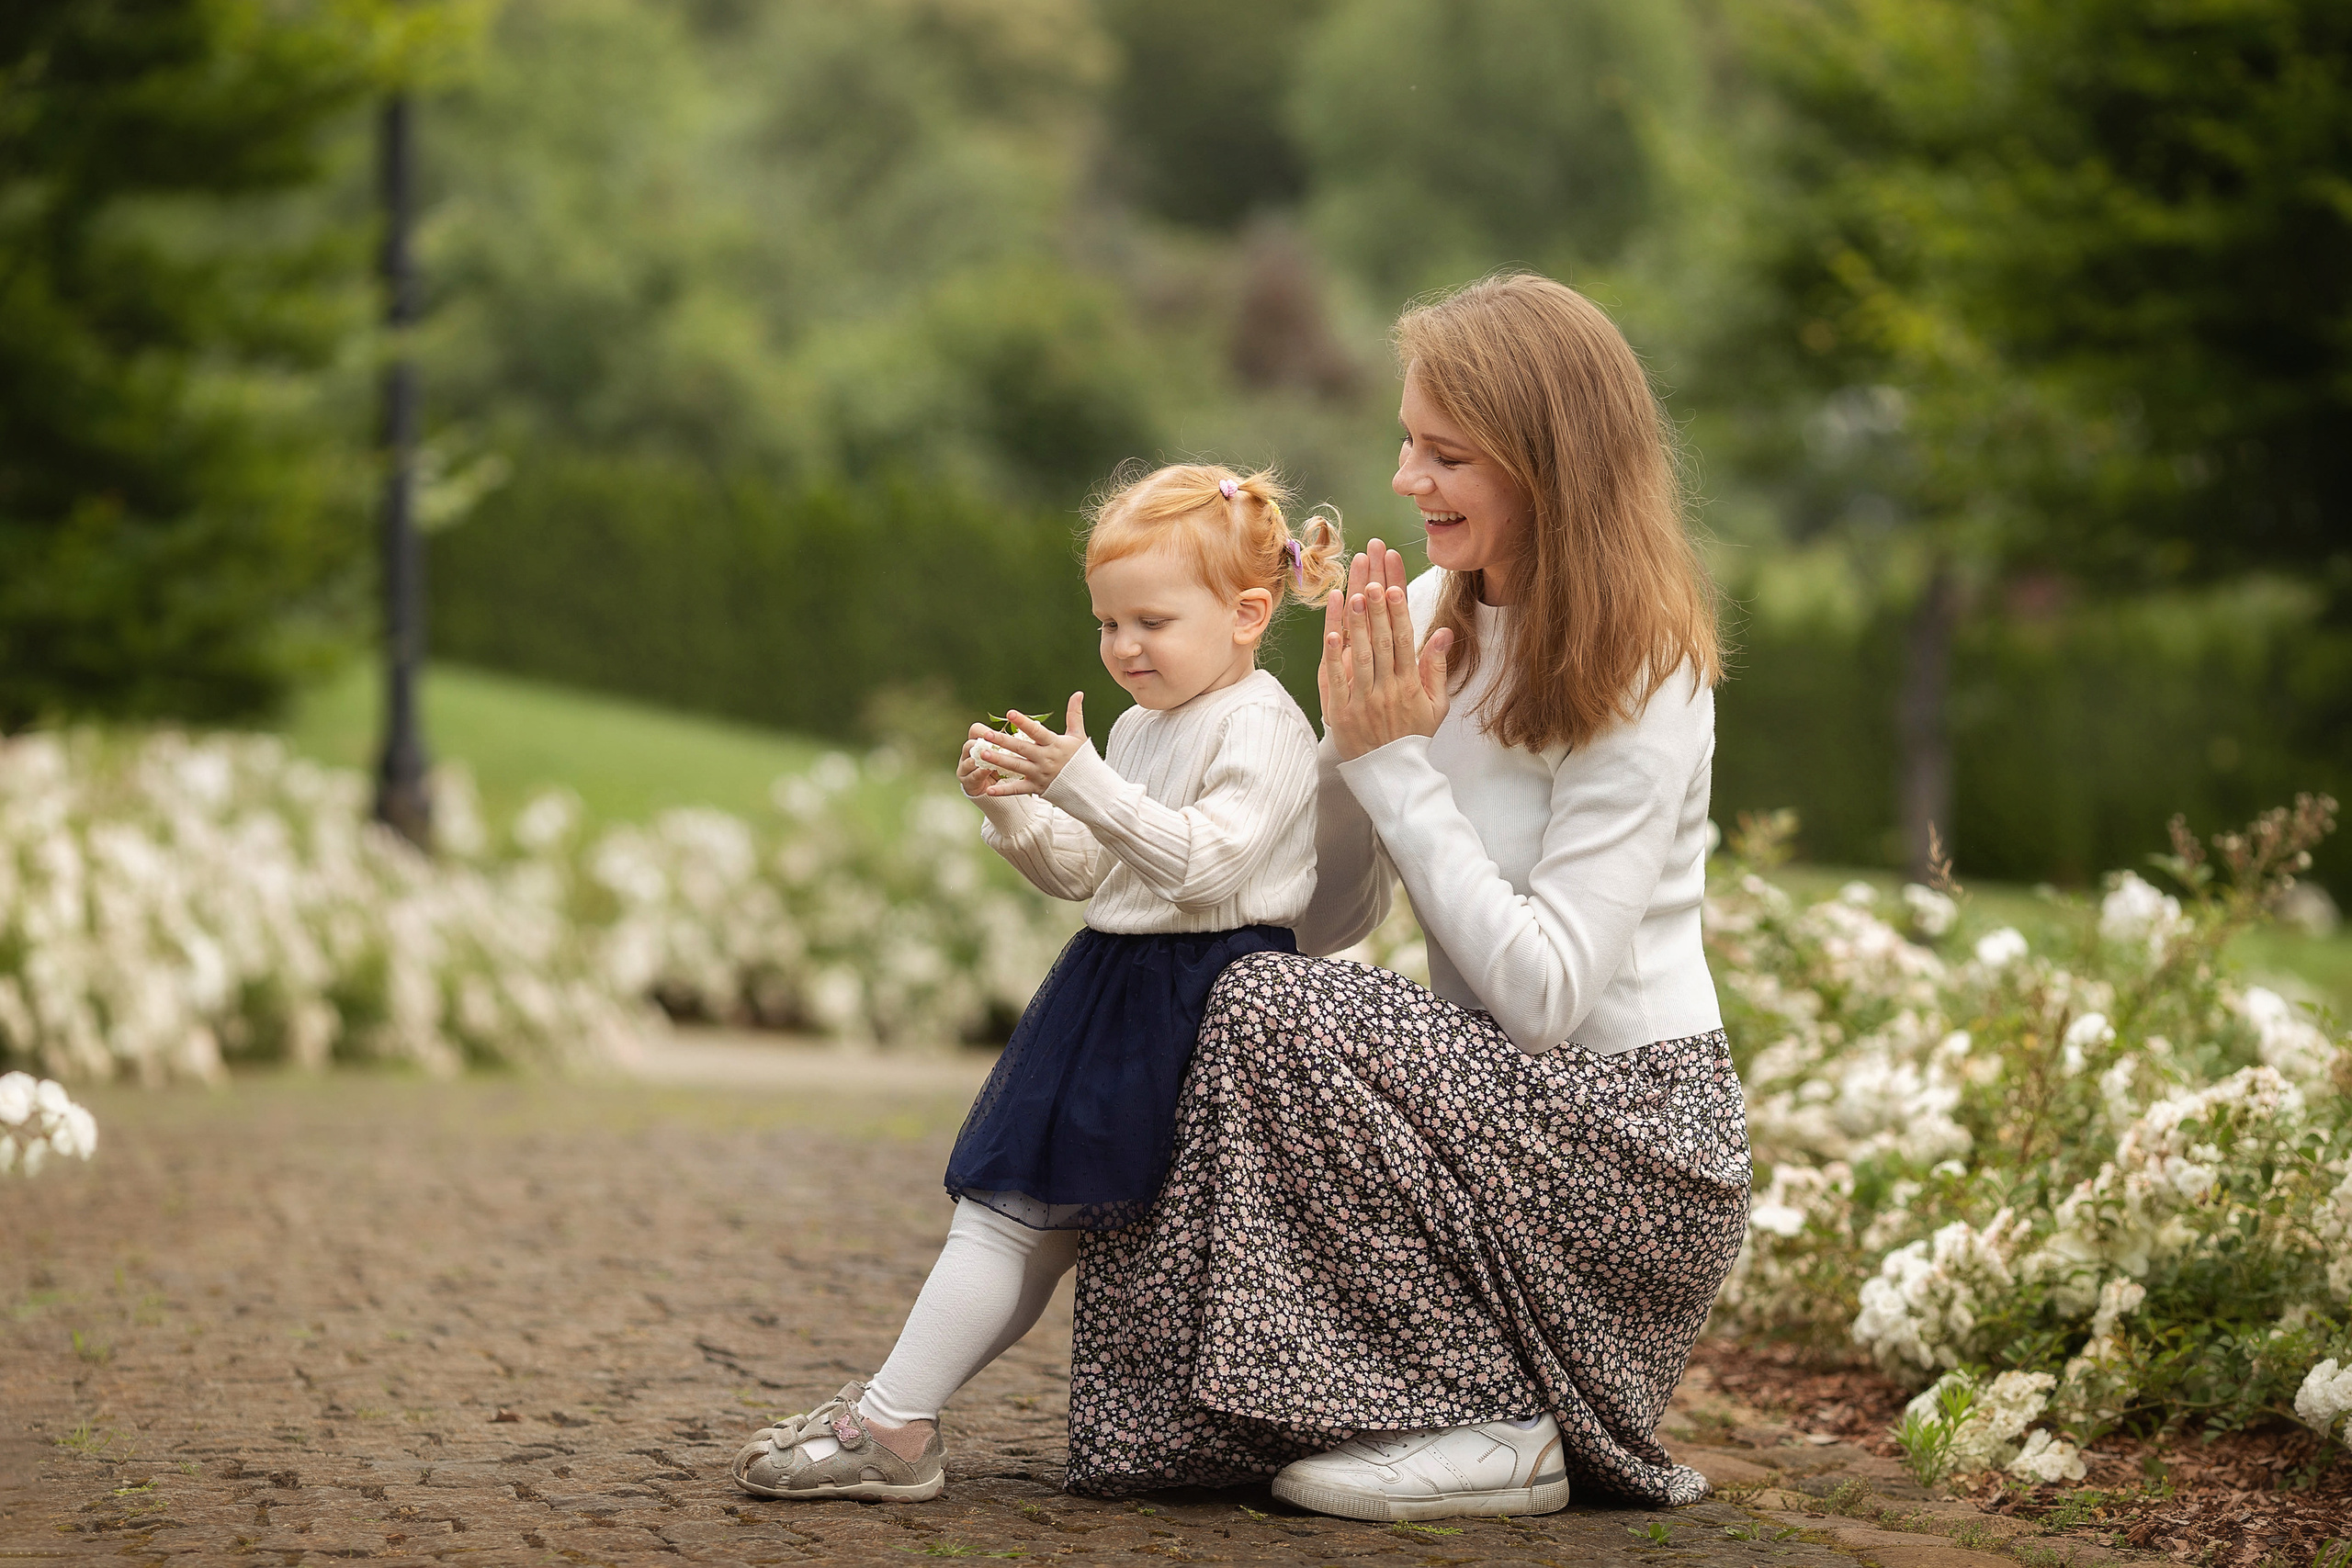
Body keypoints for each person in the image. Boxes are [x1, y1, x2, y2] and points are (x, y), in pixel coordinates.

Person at [1062, 274, 1751, 1519]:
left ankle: (1506, 1420)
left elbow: (1545, 997)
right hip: (1487, 1103)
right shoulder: (1431, 613)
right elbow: (1320, 919)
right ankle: (1245, 1406)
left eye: (1445, 454)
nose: (1404, 478)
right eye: (1407, 442)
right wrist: (1342, 755)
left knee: (1268, 1003)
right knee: (1224, 986)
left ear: (1548, 464)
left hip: (1633, 1141)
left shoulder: (1644, 667)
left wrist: (1395, 765)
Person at [730, 463, 1346, 1504]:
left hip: (1214, 1003)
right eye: (1107, 623)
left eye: (1151, 621)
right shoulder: (1143, 725)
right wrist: (1017, 807)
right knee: (1015, 1213)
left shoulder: (1264, 724)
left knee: (1029, 1217)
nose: (1124, 646)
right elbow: (1092, 873)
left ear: (1247, 614)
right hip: (1117, 985)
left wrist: (1083, 782)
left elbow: (1207, 866)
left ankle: (894, 1420)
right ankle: (896, 1418)